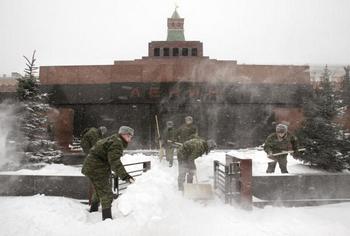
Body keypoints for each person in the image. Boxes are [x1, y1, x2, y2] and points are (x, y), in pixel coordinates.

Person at [81, 126, 135, 220]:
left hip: (94, 167)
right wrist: (125, 176)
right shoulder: (117, 143)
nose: (131, 139)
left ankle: (93, 211)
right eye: (130, 136)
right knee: (107, 194)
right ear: (125, 134)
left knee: (99, 190)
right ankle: (107, 219)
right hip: (96, 168)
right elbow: (114, 162)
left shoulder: (114, 139)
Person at [80, 126, 107, 208]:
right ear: (101, 131)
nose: (103, 134)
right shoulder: (94, 133)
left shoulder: (96, 133)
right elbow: (96, 146)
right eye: (103, 133)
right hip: (87, 148)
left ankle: (94, 204)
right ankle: (93, 204)